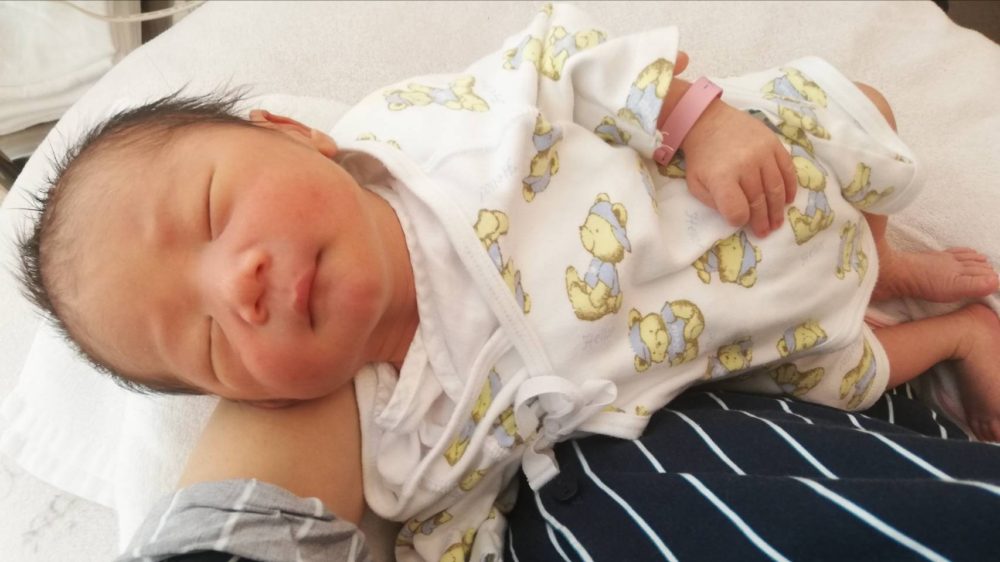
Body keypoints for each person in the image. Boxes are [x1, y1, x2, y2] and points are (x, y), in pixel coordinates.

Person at [15, 3, 1000, 561]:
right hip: (767, 337)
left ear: (296, 134)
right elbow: (460, 528)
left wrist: (697, 119)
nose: (239, 285)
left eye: (211, 209)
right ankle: (959, 331)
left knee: (855, 113)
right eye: (206, 338)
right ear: (251, 397)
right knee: (853, 373)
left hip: (724, 184)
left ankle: (889, 258)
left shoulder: (425, 137)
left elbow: (562, 58)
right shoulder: (409, 441)